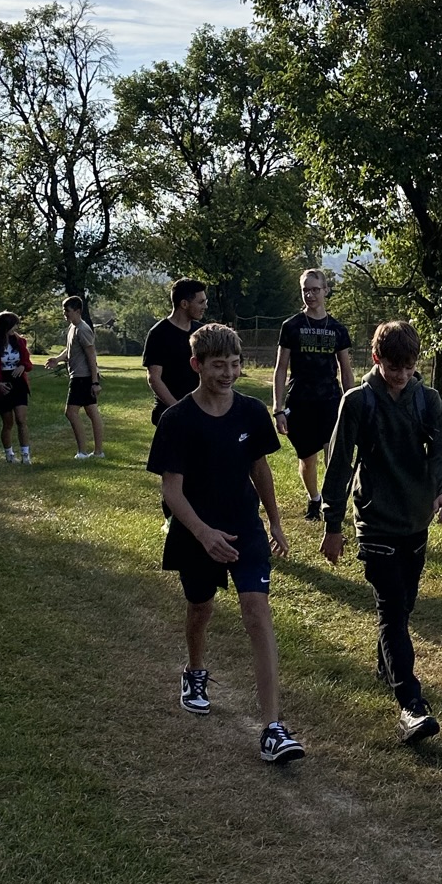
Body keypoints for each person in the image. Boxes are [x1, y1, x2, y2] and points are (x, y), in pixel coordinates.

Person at [146, 321, 303, 765]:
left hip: (244, 529)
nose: (229, 373)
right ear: (196, 365)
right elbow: (171, 490)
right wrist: (204, 534)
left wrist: (275, 521)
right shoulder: (177, 420)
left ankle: (272, 728)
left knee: (257, 613)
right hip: (197, 532)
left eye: (234, 364)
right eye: (219, 365)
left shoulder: (251, 412)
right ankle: (195, 670)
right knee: (200, 608)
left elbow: (260, 469)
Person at [320, 319, 442, 747]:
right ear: (376, 358)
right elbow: (339, 464)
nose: (401, 375)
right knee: (392, 611)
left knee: (405, 604)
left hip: (415, 520)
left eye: (408, 366)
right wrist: (332, 524)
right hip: (375, 519)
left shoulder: (427, 400)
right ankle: (412, 706)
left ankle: (387, 664)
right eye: (393, 366)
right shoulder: (358, 402)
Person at [272, 268, 355, 520]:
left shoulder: (338, 329)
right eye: (305, 290)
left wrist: (352, 404)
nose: (310, 295)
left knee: (333, 456)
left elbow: (346, 370)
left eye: (315, 289)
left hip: (330, 401)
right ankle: (314, 498)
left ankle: (333, 505)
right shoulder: (291, 326)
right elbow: (281, 368)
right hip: (300, 402)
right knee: (307, 459)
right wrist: (277, 408)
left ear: (326, 290)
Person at [142, 280, 210, 426]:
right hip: (169, 413)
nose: (205, 306)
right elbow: (154, 378)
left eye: (206, 301)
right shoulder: (159, 333)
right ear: (184, 304)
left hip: (200, 410)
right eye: (201, 302)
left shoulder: (202, 333)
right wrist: (178, 409)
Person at [45, 296, 105, 459]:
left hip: (82, 378)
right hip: (79, 376)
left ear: (77, 311)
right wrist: (57, 359)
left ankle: (83, 452)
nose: (64, 313)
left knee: (71, 413)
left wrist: (95, 382)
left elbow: (91, 356)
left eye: (67, 311)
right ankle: (98, 452)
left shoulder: (83, 329)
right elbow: (70, 349)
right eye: (63, 310)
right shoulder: (73, 327)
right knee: (92, 412)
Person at [0, 310, 33, 463]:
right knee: (8, 422)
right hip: (1, 384)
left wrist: (23, 366)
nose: (16, 328)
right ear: (5, 326)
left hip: (18, 382)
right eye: (14, 325)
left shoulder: (20, 341)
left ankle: (25, 455)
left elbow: (27, 361)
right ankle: (9, 454)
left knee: (21, 419)